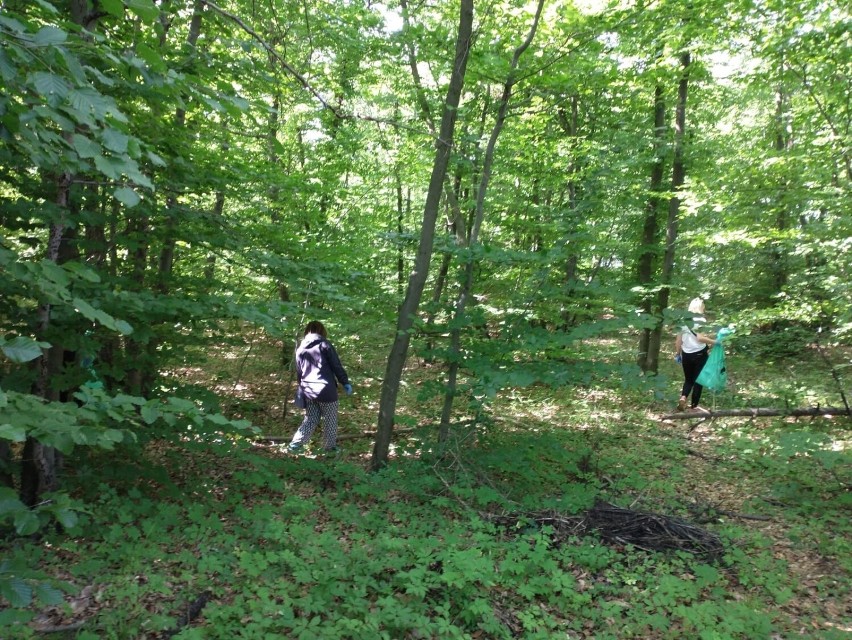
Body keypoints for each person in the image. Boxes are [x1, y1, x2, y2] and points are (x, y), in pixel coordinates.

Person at [288, 321, 352, 453]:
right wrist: (345, 382)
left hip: (309, 391)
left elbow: (300, 373)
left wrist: (302, 389)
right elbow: (336, 366)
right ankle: (330, 448)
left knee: (311, 418)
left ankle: (295, 445)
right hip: (326, 391)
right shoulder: (325, 344)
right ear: (322, 331)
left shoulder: (300, 349)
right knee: (330, 419)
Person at [674, 298, 717, 412]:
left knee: (688, 380)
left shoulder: (682, 320)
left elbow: (678, 341)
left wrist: (678, 354)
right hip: (699, 355)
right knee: (698, 380)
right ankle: (694, 406)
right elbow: (700, 338)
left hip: (686, 355)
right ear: (700, 307)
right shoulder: (700, 320)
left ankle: (683, 397)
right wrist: (715, 342)